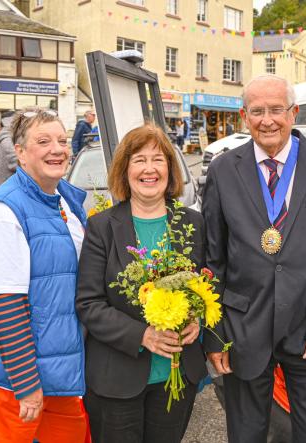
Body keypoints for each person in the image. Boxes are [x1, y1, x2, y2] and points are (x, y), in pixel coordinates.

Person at [202, 74, 306, 443]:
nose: (266, 120)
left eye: (276, 110)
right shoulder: (223, 169)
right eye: (257, 111)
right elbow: (213, 258)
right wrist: (213, 336)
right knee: (245, 434)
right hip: (242, 329)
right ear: (243, 116)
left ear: (294, 113)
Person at [0, 107, 88, 442]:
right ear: (20, 153)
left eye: (62, 140)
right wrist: (26, 382)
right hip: (12, 382)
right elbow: (4, 306)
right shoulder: (6, 213)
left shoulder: (64, 199)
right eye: (43, 141)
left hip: (58, 372)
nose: (57, 148)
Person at [76, 124, 207, 442]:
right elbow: (88, 304)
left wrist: (198, 320)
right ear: (125, 170)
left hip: (176, 375)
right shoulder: (101, 227)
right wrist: (143, 335)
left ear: (170, 169)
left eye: (158, 159)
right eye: (139, 160)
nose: (149, 169)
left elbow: (206, 286)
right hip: (117, 378)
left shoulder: (191, 223)